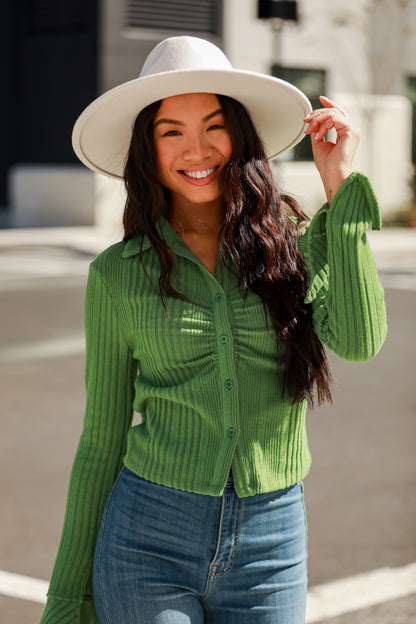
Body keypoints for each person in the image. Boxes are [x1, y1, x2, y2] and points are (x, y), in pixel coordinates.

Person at [40, 36, 387, 624]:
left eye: (214, 126)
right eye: (171, 131)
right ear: (147, 149)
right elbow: (100, 439)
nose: (196, 149)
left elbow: (359, 339)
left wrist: (340, 189)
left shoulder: (295, 247)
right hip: (146, 536)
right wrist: (66, 599)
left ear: (241, 135)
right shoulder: (117, 276)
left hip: (271, 544)